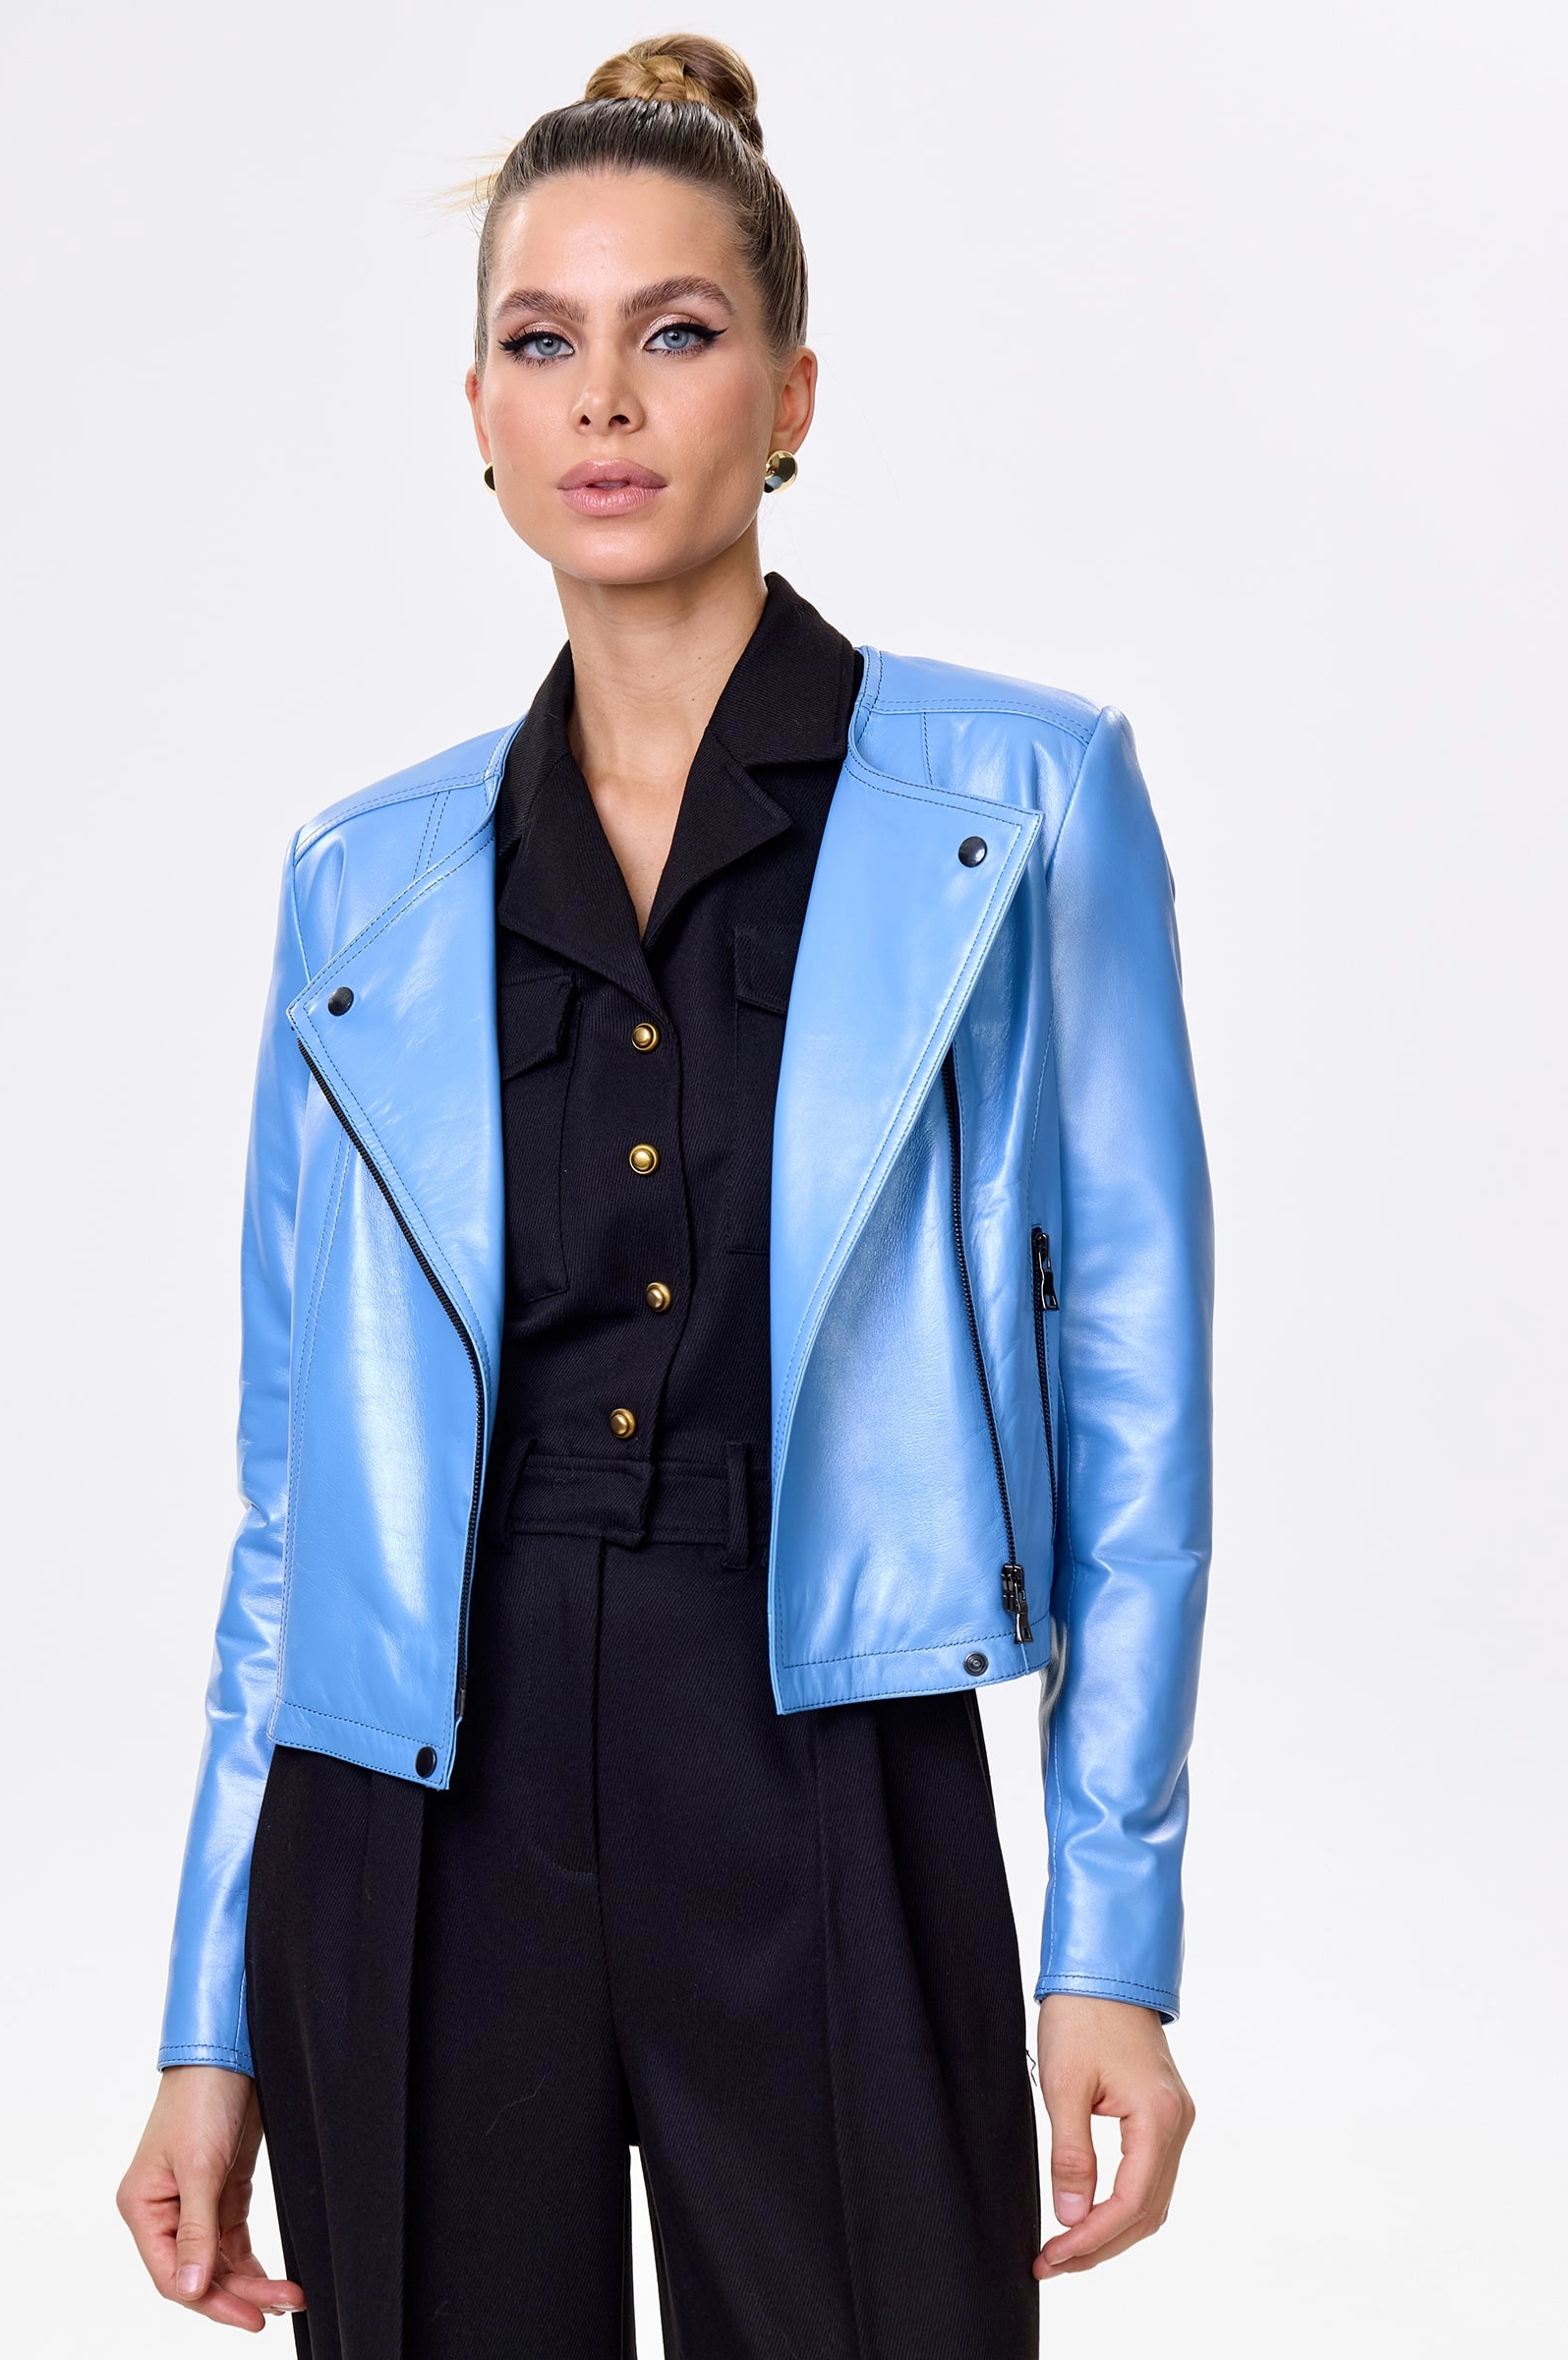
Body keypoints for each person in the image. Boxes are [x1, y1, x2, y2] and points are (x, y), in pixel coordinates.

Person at [117, 33, 1209, 2357]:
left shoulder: (1024, 805)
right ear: (479, 416)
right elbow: (296, 1504)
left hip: (830, 1756)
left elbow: (1138, 1400)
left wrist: (1111, 1938)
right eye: (544, 342)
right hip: (419, 1802)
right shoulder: (363, 884)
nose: (605, 401)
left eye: (677, 332)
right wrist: (209, 2009)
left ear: (792, 394)